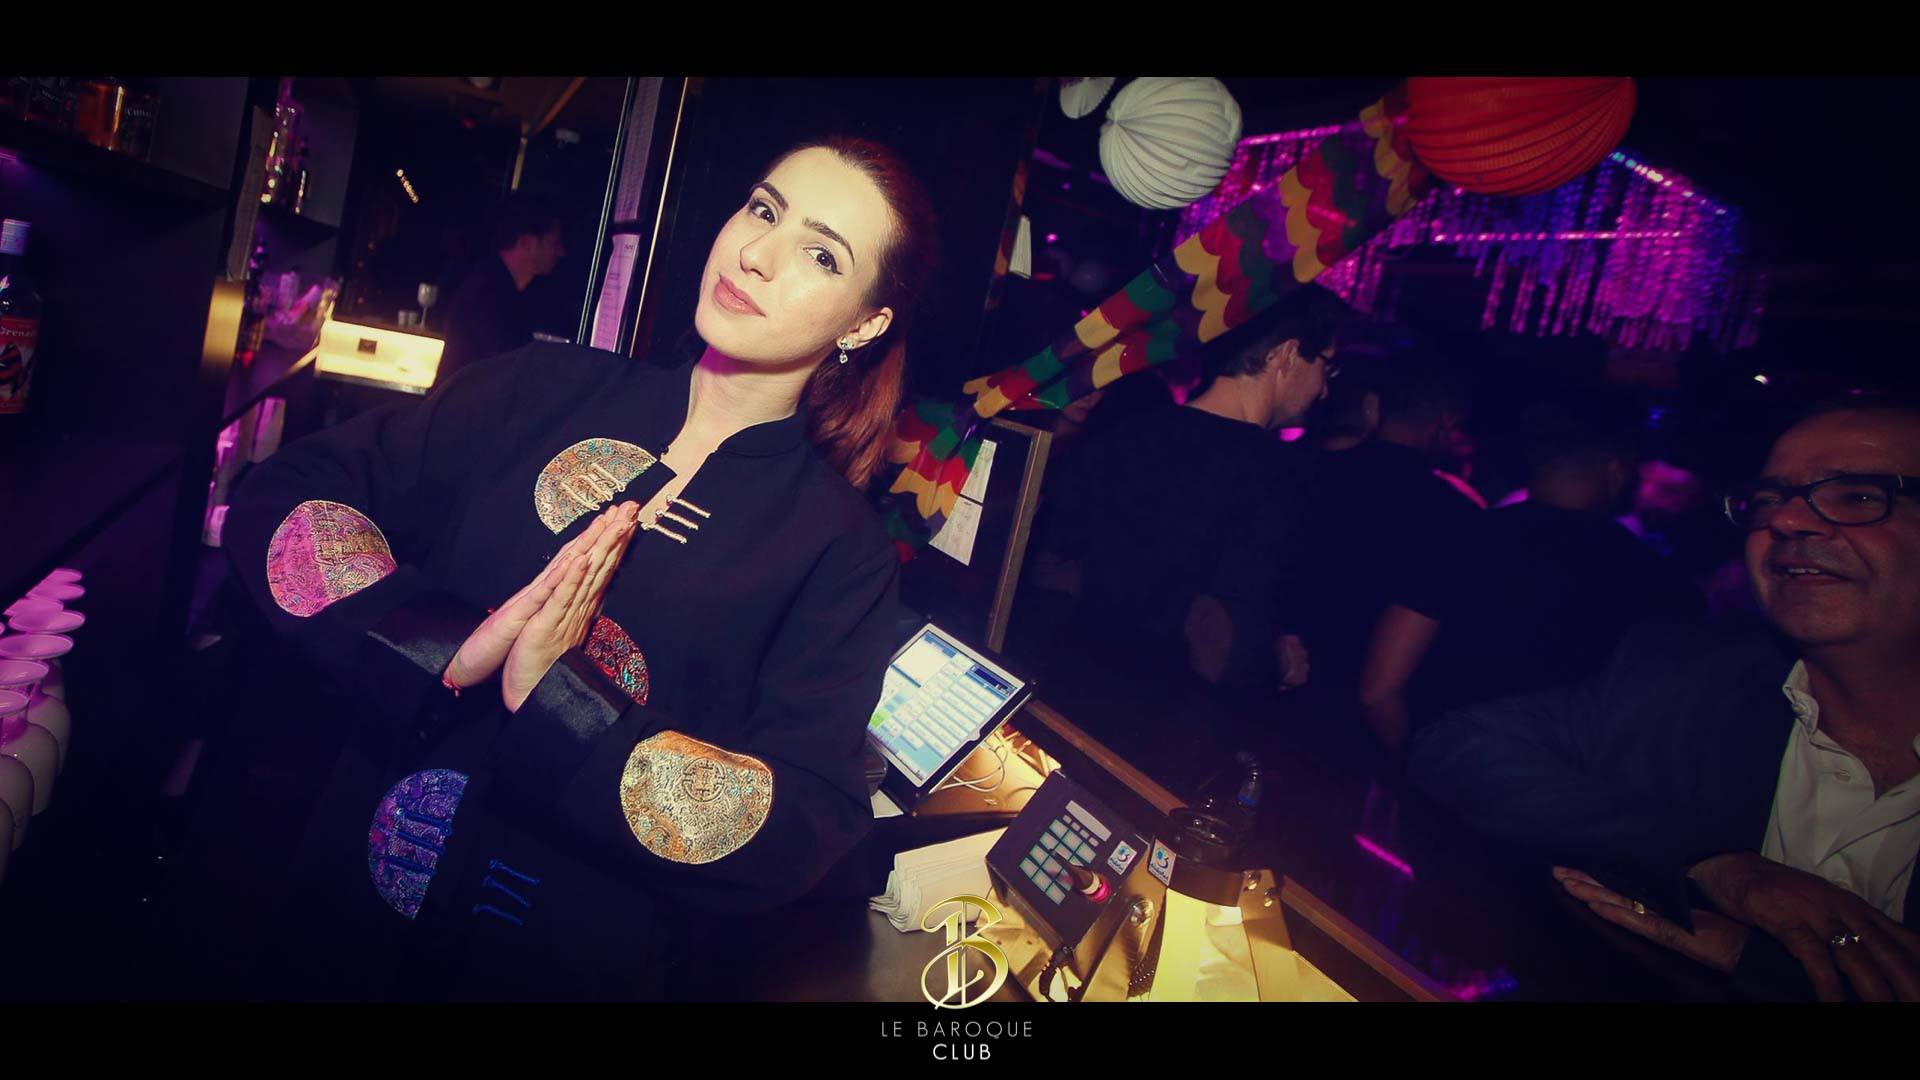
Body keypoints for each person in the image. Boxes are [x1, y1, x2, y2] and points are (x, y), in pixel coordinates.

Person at [222, 136, 935, 999]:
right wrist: (442, 643)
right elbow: (286, 493)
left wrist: (559, 700)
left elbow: (806, 823)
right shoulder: (540, 388)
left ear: (864, 323)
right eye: (762, 209)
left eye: (822, 255)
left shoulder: (838, 552)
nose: (758, 254)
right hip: (334, 919)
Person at [1409, 399, 1920, 1001]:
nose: (1786, 520)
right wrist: (1712, 865)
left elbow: (1387, 689)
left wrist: (1757, 963)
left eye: (1857, 496)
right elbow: (1455, 743)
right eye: (1768, 499)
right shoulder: (1688, 675)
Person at [1041, 290, 1346, 694]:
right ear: (1287, 355)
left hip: (1065, 684)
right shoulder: (1278, 475)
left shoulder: (1121, 434)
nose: (1324, 390)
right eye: (1327, 367)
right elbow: (1230, 645)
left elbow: (1051, 569)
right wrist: (1280, 660)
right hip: (1165, 714)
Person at [1357, 401, 1704, 742]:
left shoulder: (1459, 537)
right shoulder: (1655, 579)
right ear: (1617, 470)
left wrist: (1411, 768)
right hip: (1575, 772)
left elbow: (1379, 690)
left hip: (1459, 758)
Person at [1297, 352, 1482, 732]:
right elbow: (1381, 687)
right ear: (1446, 422)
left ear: (1373, 407)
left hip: (1267, 688)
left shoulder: (1306, 473)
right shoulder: (1451, 513)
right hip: (1347, 726)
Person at [434, 193, 568, 385]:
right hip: (463, 402)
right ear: (527, 243)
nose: (561, 252)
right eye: (554, 243)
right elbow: (510, 365)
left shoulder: (498, 286)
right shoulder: (489, 294)